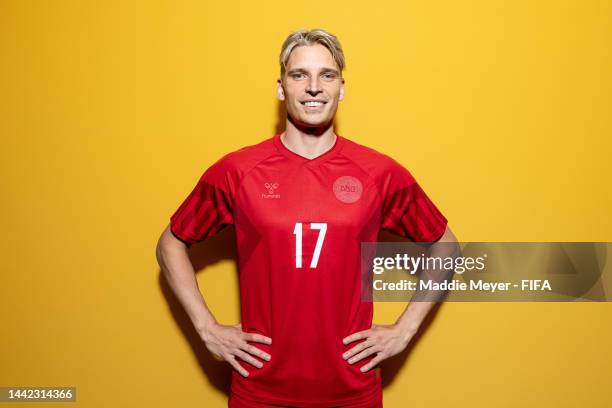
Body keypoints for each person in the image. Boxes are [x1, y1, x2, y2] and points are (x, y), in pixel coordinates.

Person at [156, 28, 458, 408]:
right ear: (281, 88)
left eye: (326, 75)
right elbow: (171, 242)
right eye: (299, 75)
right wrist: (207, 328)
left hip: (352, 390)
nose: (313, 87)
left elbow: (445, 246)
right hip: (260, 390)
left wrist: (404, 329)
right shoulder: (238, 170)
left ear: (341, 88)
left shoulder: (378, 172)